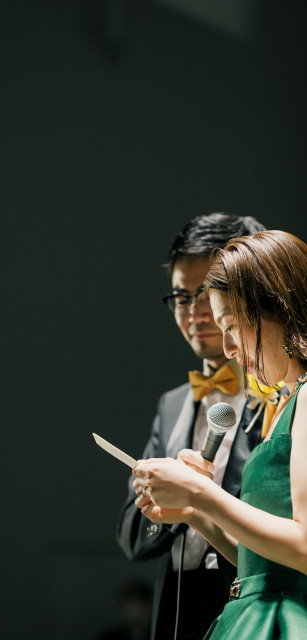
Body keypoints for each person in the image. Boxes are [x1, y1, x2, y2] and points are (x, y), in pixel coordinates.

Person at [133, 230, 307, 639]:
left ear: (277, 308)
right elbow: (258, 564)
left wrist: (201, 494)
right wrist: (199, 513)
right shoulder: (286, 401)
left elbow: (303, 547)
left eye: (231, 325)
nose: (228, 349)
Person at [116, 212, 267, 640]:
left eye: (208, 295)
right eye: (182, 297)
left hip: (249, 599)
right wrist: (164, 507)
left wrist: (203, 498)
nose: (196, 313)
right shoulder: (172, 404)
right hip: (176, 604)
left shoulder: (282, 394)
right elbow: (132, 538)